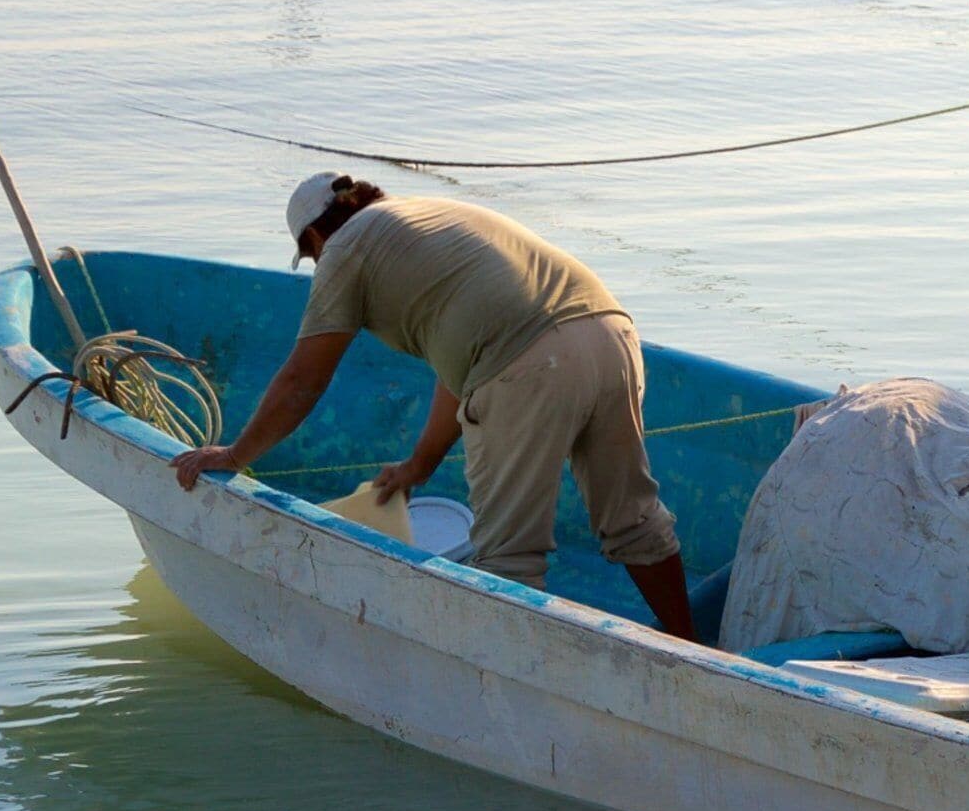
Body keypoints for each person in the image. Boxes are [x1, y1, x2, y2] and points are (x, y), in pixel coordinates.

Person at [171, 173, 694, 639]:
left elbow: (304, 379)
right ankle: (692, 646)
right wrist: (420, 464)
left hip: (528, 365)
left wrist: (236, 455)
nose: (317, 268)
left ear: (313, 238)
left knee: (508, 557)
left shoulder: (344, 249)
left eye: (310, 260)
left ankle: (518, 691)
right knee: (634, 519)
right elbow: (463, 367)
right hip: (610, 333)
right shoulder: (429, 220)